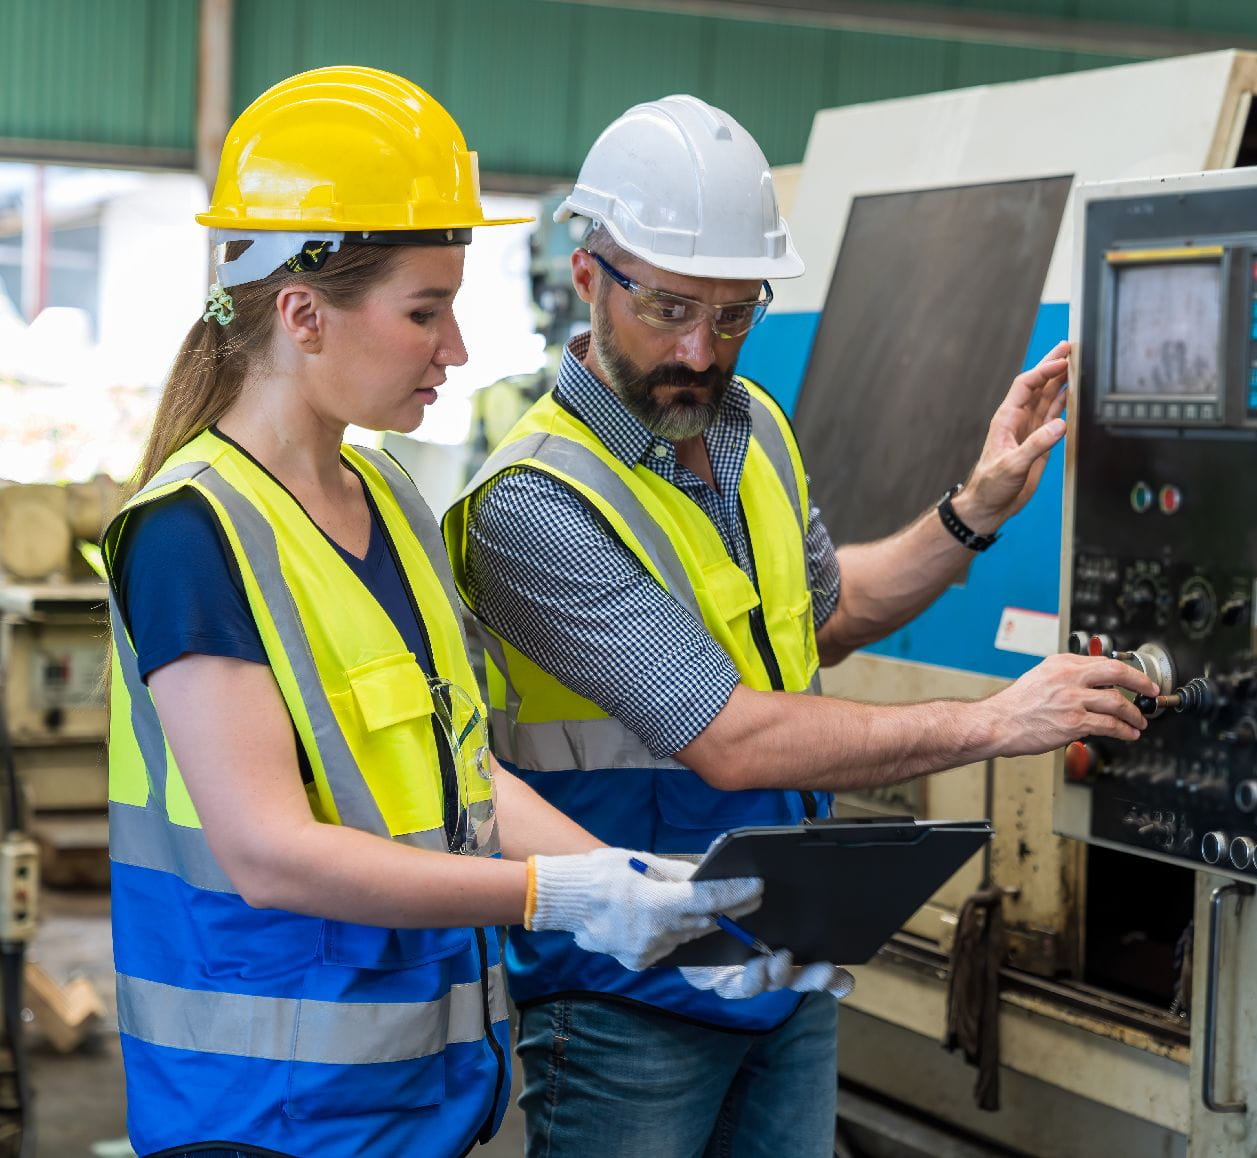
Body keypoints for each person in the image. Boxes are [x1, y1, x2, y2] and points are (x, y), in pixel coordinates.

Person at [104, 69, 826, 1158]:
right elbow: (269, 852)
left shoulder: (389, 501)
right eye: (424, 312)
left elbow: (465, 777)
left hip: (417, 1101)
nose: (455, 350)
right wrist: (557, 894)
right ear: (302, 312)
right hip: (265, 1116)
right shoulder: (193, 535)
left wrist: (633, 886)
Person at [442, 94, 1159, 1155]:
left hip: (784, 965)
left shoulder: (752, 429)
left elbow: (828, 615)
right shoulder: (534, 503)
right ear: (590, 276)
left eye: (733, 315)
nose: (700, 349)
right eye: (672, 310)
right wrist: (992, 721)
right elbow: (730, 738)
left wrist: (975, 510)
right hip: (630, 992)